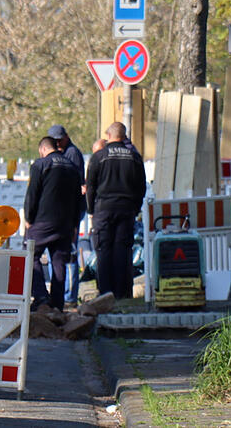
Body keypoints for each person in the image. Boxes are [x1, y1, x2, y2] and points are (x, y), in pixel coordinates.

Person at [85, 122, 146, 299]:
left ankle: (105, 293)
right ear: (124, 136)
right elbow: (141, 186)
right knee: (123, 251)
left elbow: (90, 186)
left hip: (103, 209)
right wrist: (135, 207)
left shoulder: (99, 157)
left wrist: (91, 209)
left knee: (104, 251)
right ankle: (123, 292)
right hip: (126, 209)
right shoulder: (134, 157)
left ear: (109, 136)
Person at [24, 136, 84, 312]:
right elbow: (78, 198)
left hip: (43, 221)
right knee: (59, 261)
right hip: (65, 223)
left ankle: (41, 297)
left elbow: (32, 194)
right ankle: (58, 303)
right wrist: (74, 224)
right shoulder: (72, 167)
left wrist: (28, 218)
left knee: (30, 255)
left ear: (43, 149)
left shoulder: (40, 165)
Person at [47, 124, 86, 307]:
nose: (57, 143)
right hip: (61, 212)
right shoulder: (63, 153)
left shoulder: (72, 154)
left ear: (66, 137)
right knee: (59, 254)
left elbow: (74, 187)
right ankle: (61, 295)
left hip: (69, 212)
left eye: (59, 140)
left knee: (69, 254)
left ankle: (69, 296)